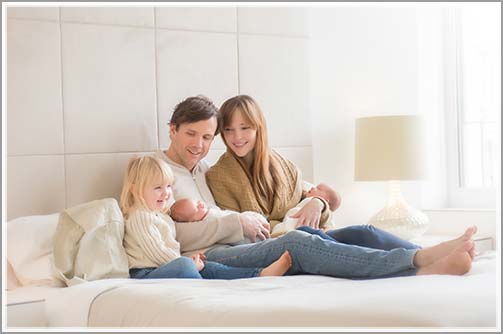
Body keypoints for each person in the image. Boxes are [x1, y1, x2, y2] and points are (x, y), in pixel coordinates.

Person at [157, 94, 476, 279]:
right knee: (297, 240)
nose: (199, 144)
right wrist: (236, 221)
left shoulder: (203, 169)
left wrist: (318, 202)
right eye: (190, 135)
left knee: (362, 231)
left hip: (238, 243)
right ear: (173, 130)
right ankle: (418, 266)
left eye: (206, 137)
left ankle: (426, 252)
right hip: (210, 256)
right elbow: (166, 233)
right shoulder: (159, 173)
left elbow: (312, 192)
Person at [119, 155, 292, 280]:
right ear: (135, 189)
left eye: (169, 186)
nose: (166, 193)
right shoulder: (140, 217)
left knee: (210, 267)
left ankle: (260, 274)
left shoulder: (162, 216)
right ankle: (198, 278)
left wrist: (191, 259)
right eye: (158, 187)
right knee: (186, 267)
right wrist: (185, 261)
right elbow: (157, 252)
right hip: (146, 273)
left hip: (167, 265)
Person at [271, 183, 341, 237]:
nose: (312, 187)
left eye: (318, 189)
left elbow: (329, 227)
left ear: (325, 200)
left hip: (293, 230)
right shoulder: (300, 197)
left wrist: (319, 202)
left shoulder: (324, 213)